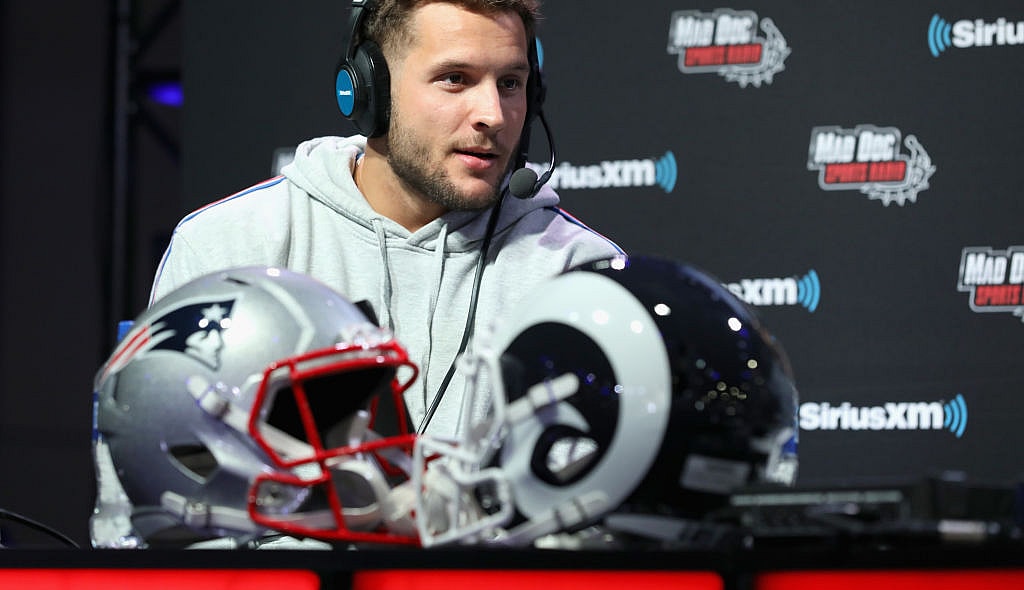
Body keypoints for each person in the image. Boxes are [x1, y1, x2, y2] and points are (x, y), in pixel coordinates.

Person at [149, 0, 623, 439]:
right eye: (455, 78)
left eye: (510, 83)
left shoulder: (578, 272)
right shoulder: (227, 247)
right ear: (368, 91)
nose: (493, 115)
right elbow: (155, 467)